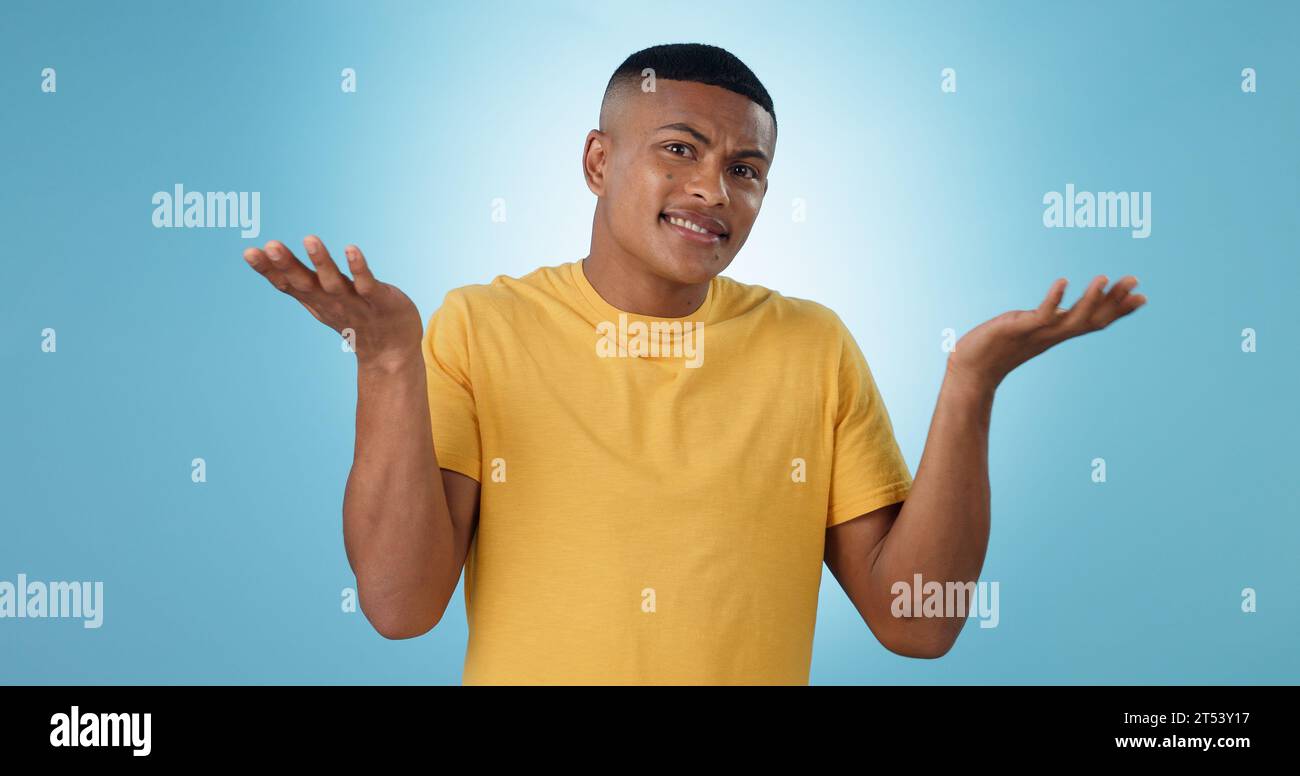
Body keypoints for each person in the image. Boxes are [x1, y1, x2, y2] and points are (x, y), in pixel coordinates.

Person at [240, 43, 1146, 685]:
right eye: (680, 148)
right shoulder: (483, 326)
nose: (716, 188)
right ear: (599, 160)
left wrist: (971, 388)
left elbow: (919, 622)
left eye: (747, 168)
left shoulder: (812, 346)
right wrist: (391, 362)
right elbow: (401, 606)